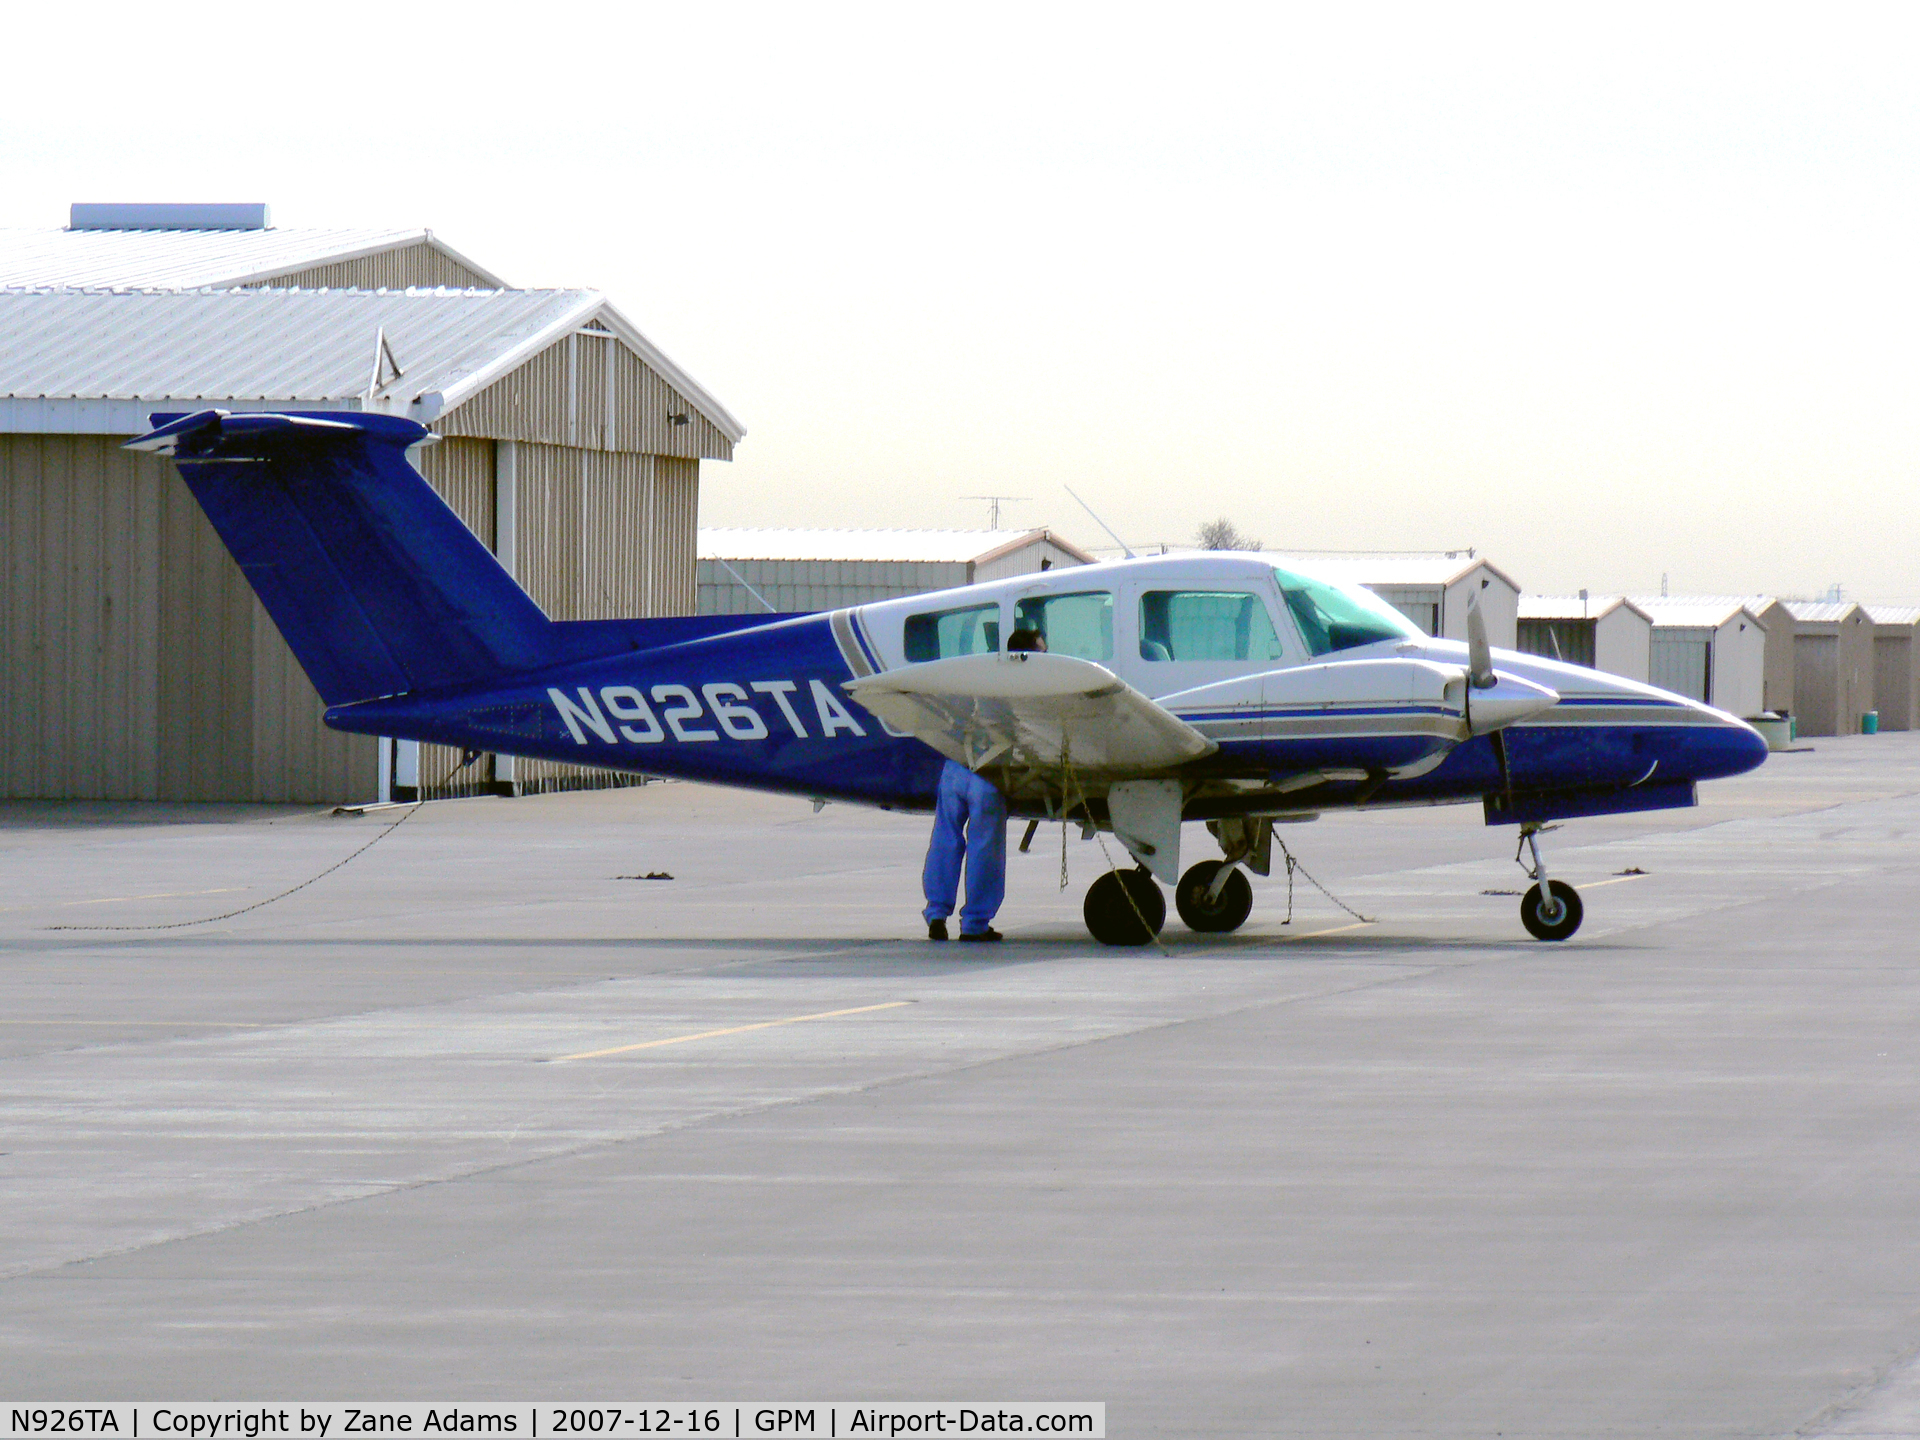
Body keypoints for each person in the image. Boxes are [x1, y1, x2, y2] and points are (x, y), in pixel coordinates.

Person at [921, 627, 1044, 942]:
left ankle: (936, 913)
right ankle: (975, 923)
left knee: (945, 839)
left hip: (953, 769)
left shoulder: (980, 676)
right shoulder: (1025, 685)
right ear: (1029, 654)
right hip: (987, 773)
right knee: (984, 847)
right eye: (1041, 652)